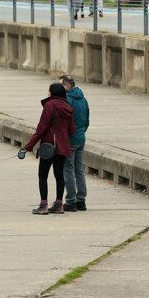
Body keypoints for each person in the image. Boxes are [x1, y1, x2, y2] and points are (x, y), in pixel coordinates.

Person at [21, 83, 75, 215]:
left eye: (49, 92)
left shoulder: (49, 105)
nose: (48, 94)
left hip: (49, 146)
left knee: (43, 175)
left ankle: (43, 205)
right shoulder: (67, 107)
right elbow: (72, 129)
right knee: (59, 175)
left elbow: (41, 129)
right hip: (62, 147)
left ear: (52, 93)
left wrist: (27, 147)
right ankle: (58, 204)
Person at [60, 75, 89, 212]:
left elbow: (64, 121)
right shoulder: (83, 99)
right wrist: (81, 132)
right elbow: (86, 120)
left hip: (70, 139)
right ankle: (81, 200)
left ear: (67, 86)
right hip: (81, 138)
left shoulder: (67, 100)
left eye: (61, 85)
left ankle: (70, 201)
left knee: (68, 169)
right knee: (79, 169)